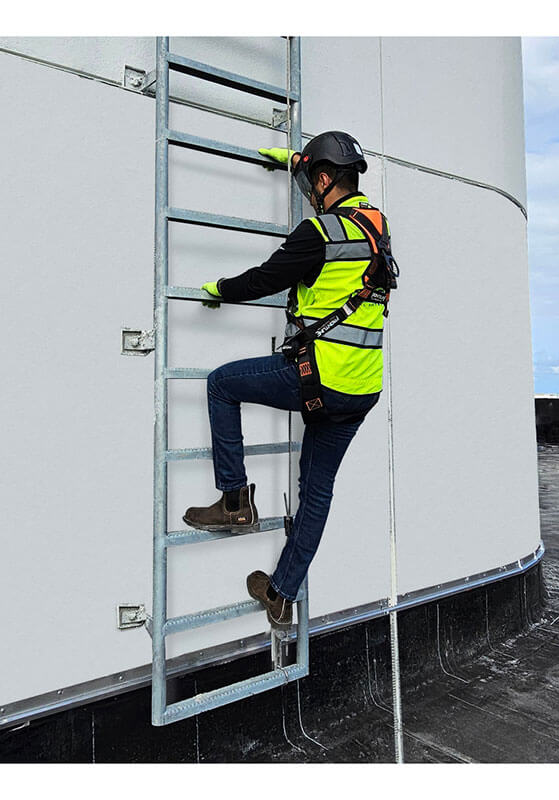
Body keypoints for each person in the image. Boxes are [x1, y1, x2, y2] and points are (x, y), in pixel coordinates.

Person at [183, 131, 397, 628]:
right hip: (360, 390)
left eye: (310, 184)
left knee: (221, 384)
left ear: (324, 181)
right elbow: (328, 185)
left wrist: (218, 289)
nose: (308, 194)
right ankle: (281, 594)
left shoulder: (317, 232)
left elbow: (264, 279)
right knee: (317, 492)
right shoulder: (377, 227)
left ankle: (235, 500)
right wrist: (297, 159)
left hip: (316, 377)